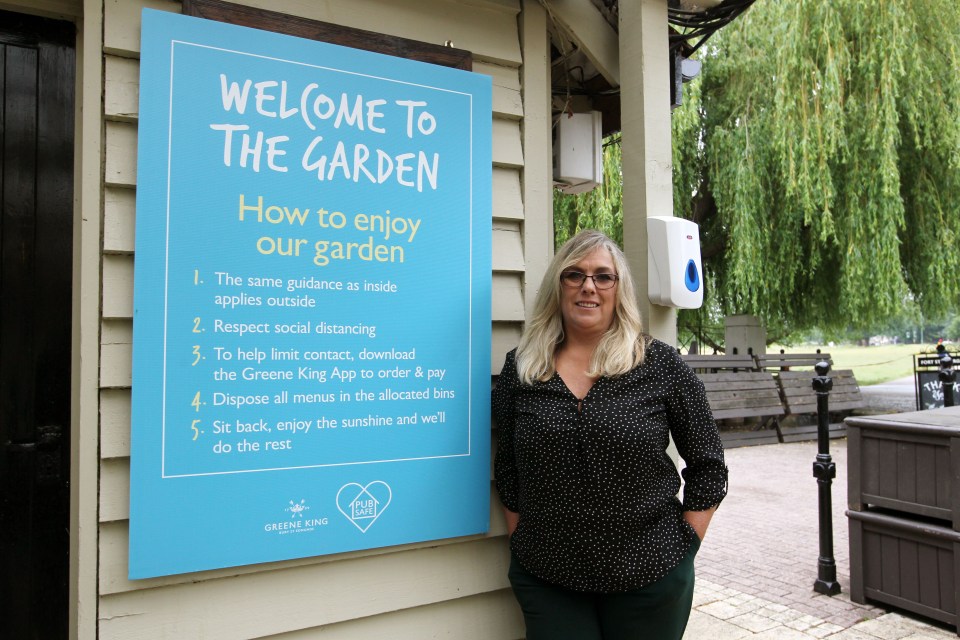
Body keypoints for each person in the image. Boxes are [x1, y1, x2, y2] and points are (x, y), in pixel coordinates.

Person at [493, 229, 728, 640]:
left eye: (603, 276)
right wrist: (521, 540)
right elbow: (508, 467)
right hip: (548, 576)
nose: (589, 286)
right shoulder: (523, 367)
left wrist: (685, 547)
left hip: (650, 575)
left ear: (619, 290)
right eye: (575, 275)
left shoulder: (659, 364)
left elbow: (708, 464)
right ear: (558, 285)